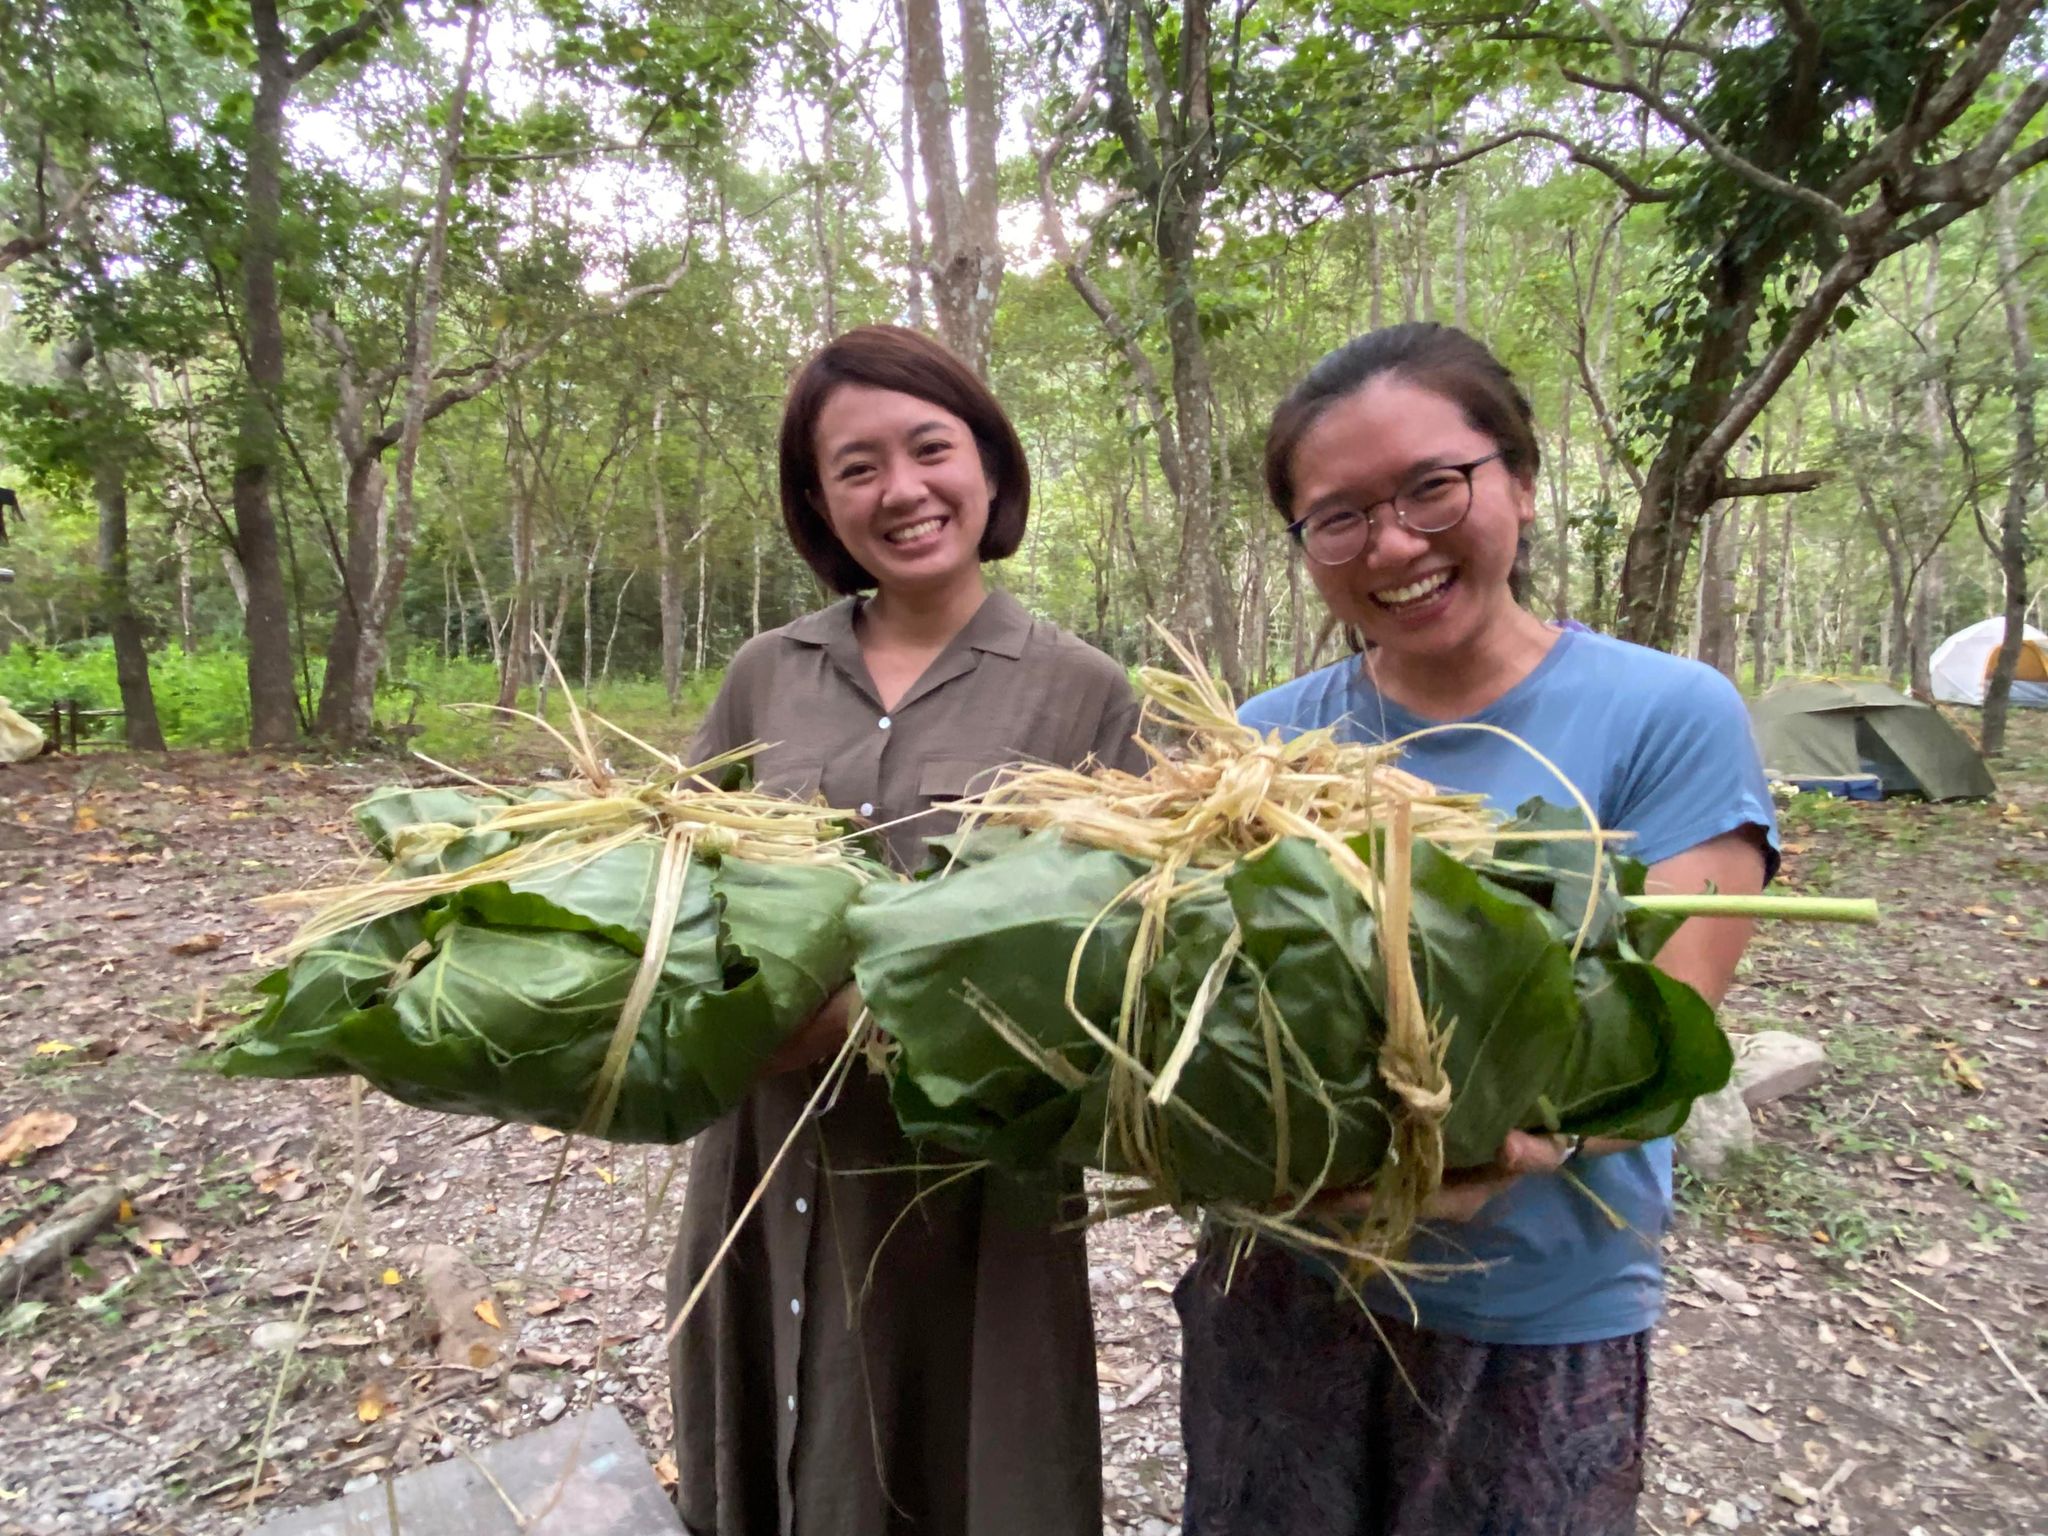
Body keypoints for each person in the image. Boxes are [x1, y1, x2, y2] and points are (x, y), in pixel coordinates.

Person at [1173, 323, 1778, 1535]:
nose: (1391, 542)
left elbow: (1660, 1033)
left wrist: (1508, 1146)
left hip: (1530, 1319)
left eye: (1430, 487)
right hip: (1281, 1283)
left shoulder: (1665, 713)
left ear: (1518, 480)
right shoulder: (1259, 740)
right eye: (1336, 516)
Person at [666, 324, 1143, 1536]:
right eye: (856, 467)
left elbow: (1135, 947)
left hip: (970, 1173)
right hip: (764, 1156)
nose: (902, 490)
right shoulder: (766, 673)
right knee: (773, 1450)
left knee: (966, 1456)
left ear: (987, 463)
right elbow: (668, 877)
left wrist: (875, 1012)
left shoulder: (1079, 687)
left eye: (929, 448)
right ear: (820, 504)